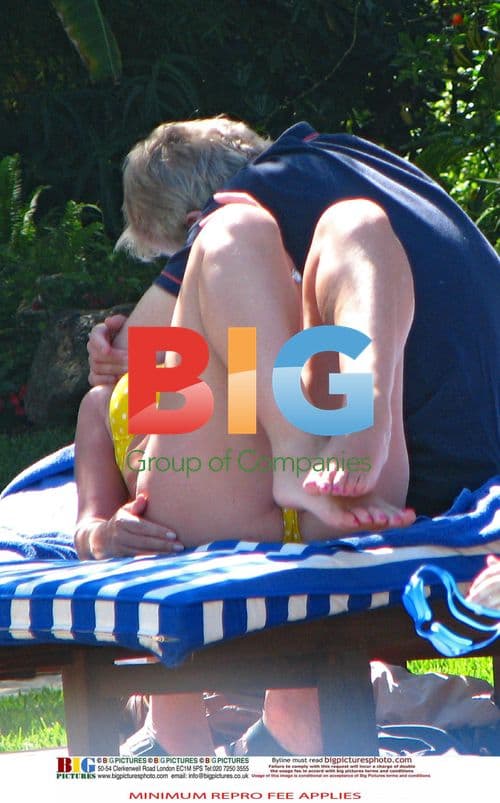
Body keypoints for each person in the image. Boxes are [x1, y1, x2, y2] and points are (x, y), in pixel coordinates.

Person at [82, 115, 500, 755]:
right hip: (223, 491)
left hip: (339, 476)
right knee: (242, 233)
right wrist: (101, 528)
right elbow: (91, 515)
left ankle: (348, 423)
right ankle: (307, 451)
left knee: (357, 222)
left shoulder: (264, 320)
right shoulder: (119, 389)